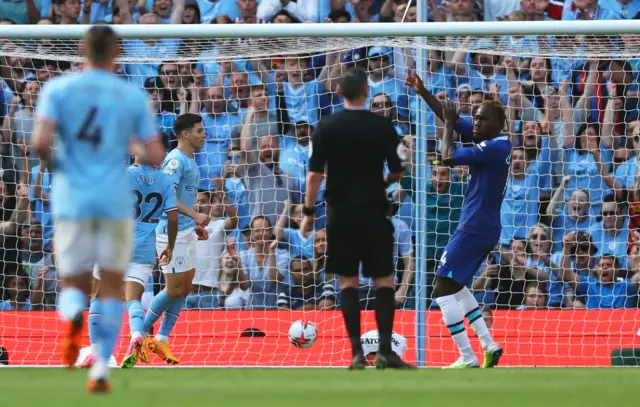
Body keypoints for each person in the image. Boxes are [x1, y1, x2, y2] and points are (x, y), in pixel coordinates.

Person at [31, 26, 165, 392]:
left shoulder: (57, 89)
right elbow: (153, 154)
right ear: (117, 53)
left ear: (81, 50)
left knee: (74, 281)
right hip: (113, 197)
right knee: (109, 287)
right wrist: (132, 142)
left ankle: (73, 315)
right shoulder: (131, 95)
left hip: (71, 195)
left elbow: (40, 141)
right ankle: (101, 370)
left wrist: (59, 165)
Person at [300, 67, 414, 370]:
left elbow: (314, 175)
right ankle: (387, 351)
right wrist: (381, 183)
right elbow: (399, 170)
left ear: (339, 93)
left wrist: (309, 213)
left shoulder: (326, 126)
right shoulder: (382, 126)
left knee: (347, 282)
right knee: (384, 280)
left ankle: (356, 353)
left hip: (340, 214)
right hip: (374, 211)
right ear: (366, 92)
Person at [78, 153, 179, 369]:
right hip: (143, 249)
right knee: (133, 299)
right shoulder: (166, 181)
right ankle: (136, 335)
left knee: (98, 295)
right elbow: (172, 217)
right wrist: (169, 246)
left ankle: (96, 350)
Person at [433, 98, 511, 369]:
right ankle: (489, 345)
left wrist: (451, 124)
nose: (476, 122)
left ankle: (467, 356)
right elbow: (448, 116)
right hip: (484, 227)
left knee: (442, 290)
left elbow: (447, 157)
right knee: (457, 287)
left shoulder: (490, 147)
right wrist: (421, 90)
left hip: (473, 227)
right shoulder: (498, 144)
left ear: (500, 124)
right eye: (475, 118)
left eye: (483, 119)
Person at [141, 113, 210, 365]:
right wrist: (194, 214)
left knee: (186, 286)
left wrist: (193, 225)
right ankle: (141, 332)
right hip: (170, 233)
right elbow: (166, 194)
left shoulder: (190, 160)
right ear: (185, 134)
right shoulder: (175, 160)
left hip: (185, 230)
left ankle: (162, 338)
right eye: (200, 131)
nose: (204, 135)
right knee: (172, 288)